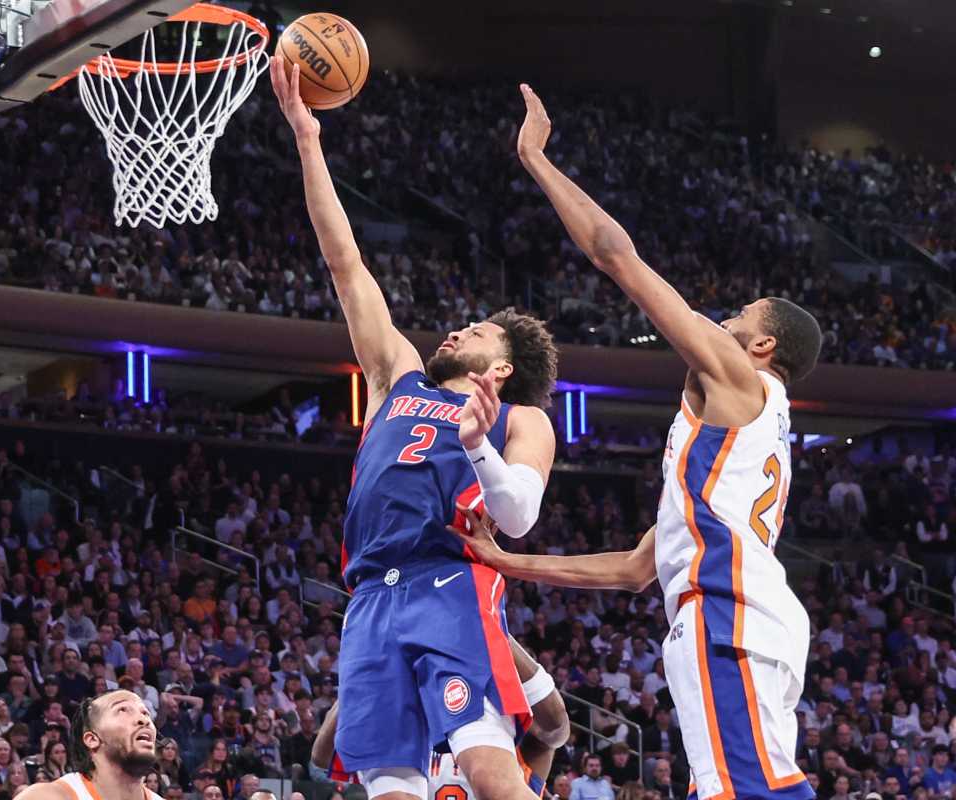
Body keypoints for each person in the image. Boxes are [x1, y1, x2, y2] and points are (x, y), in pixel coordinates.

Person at [454, 84, 823, 800]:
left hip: (727, 612)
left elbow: (613, 254)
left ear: (763, 343)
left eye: (741, 313)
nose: (725, 317)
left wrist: (535, 159)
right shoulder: (729, 458)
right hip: (742, 616)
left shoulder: (738, 380)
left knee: (751, 793)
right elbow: (629, 570)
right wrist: (506, 560)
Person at [270, 55, 561, 800]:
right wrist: (308, 140)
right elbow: (346, 264)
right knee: (390, 787)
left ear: (501, 368)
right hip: (369, 595)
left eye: (478, 332)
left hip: (450, 583)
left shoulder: (522, 418)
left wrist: (475, 447)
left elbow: (518, 517)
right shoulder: (397, 376)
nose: (460, 329)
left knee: (491, 772)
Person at [310, 635, 572, 799]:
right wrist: (362, 677)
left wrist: (492, 630)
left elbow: (558, 728)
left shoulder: (518, 741)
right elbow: (323, 757)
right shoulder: (406, 733)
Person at [14, 689, 160, 800]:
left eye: (145, 713)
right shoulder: (47, 797)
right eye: (122, 710)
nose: (144, 720)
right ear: (92, 739)